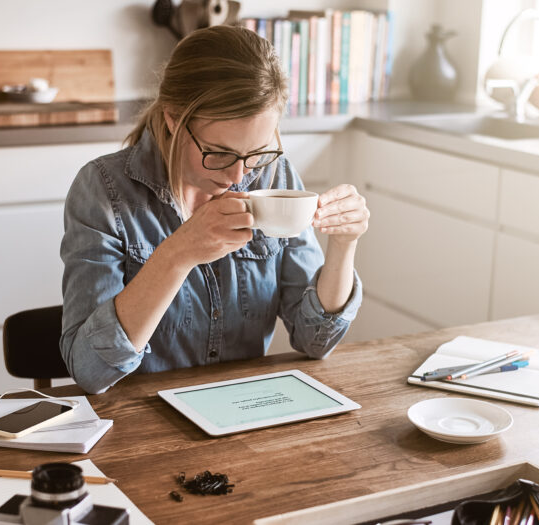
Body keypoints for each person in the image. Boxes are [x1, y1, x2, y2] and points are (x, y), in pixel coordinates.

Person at [60, 25, 370, 394]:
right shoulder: (103, 190)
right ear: (174, 119)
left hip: (246, 410)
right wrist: (177, 254)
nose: (239, 174)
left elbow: (315, 340)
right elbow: (91, 371)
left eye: (256, 153)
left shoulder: (274, 175)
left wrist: (343, 245)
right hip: (140, 423)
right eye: (219, 153)